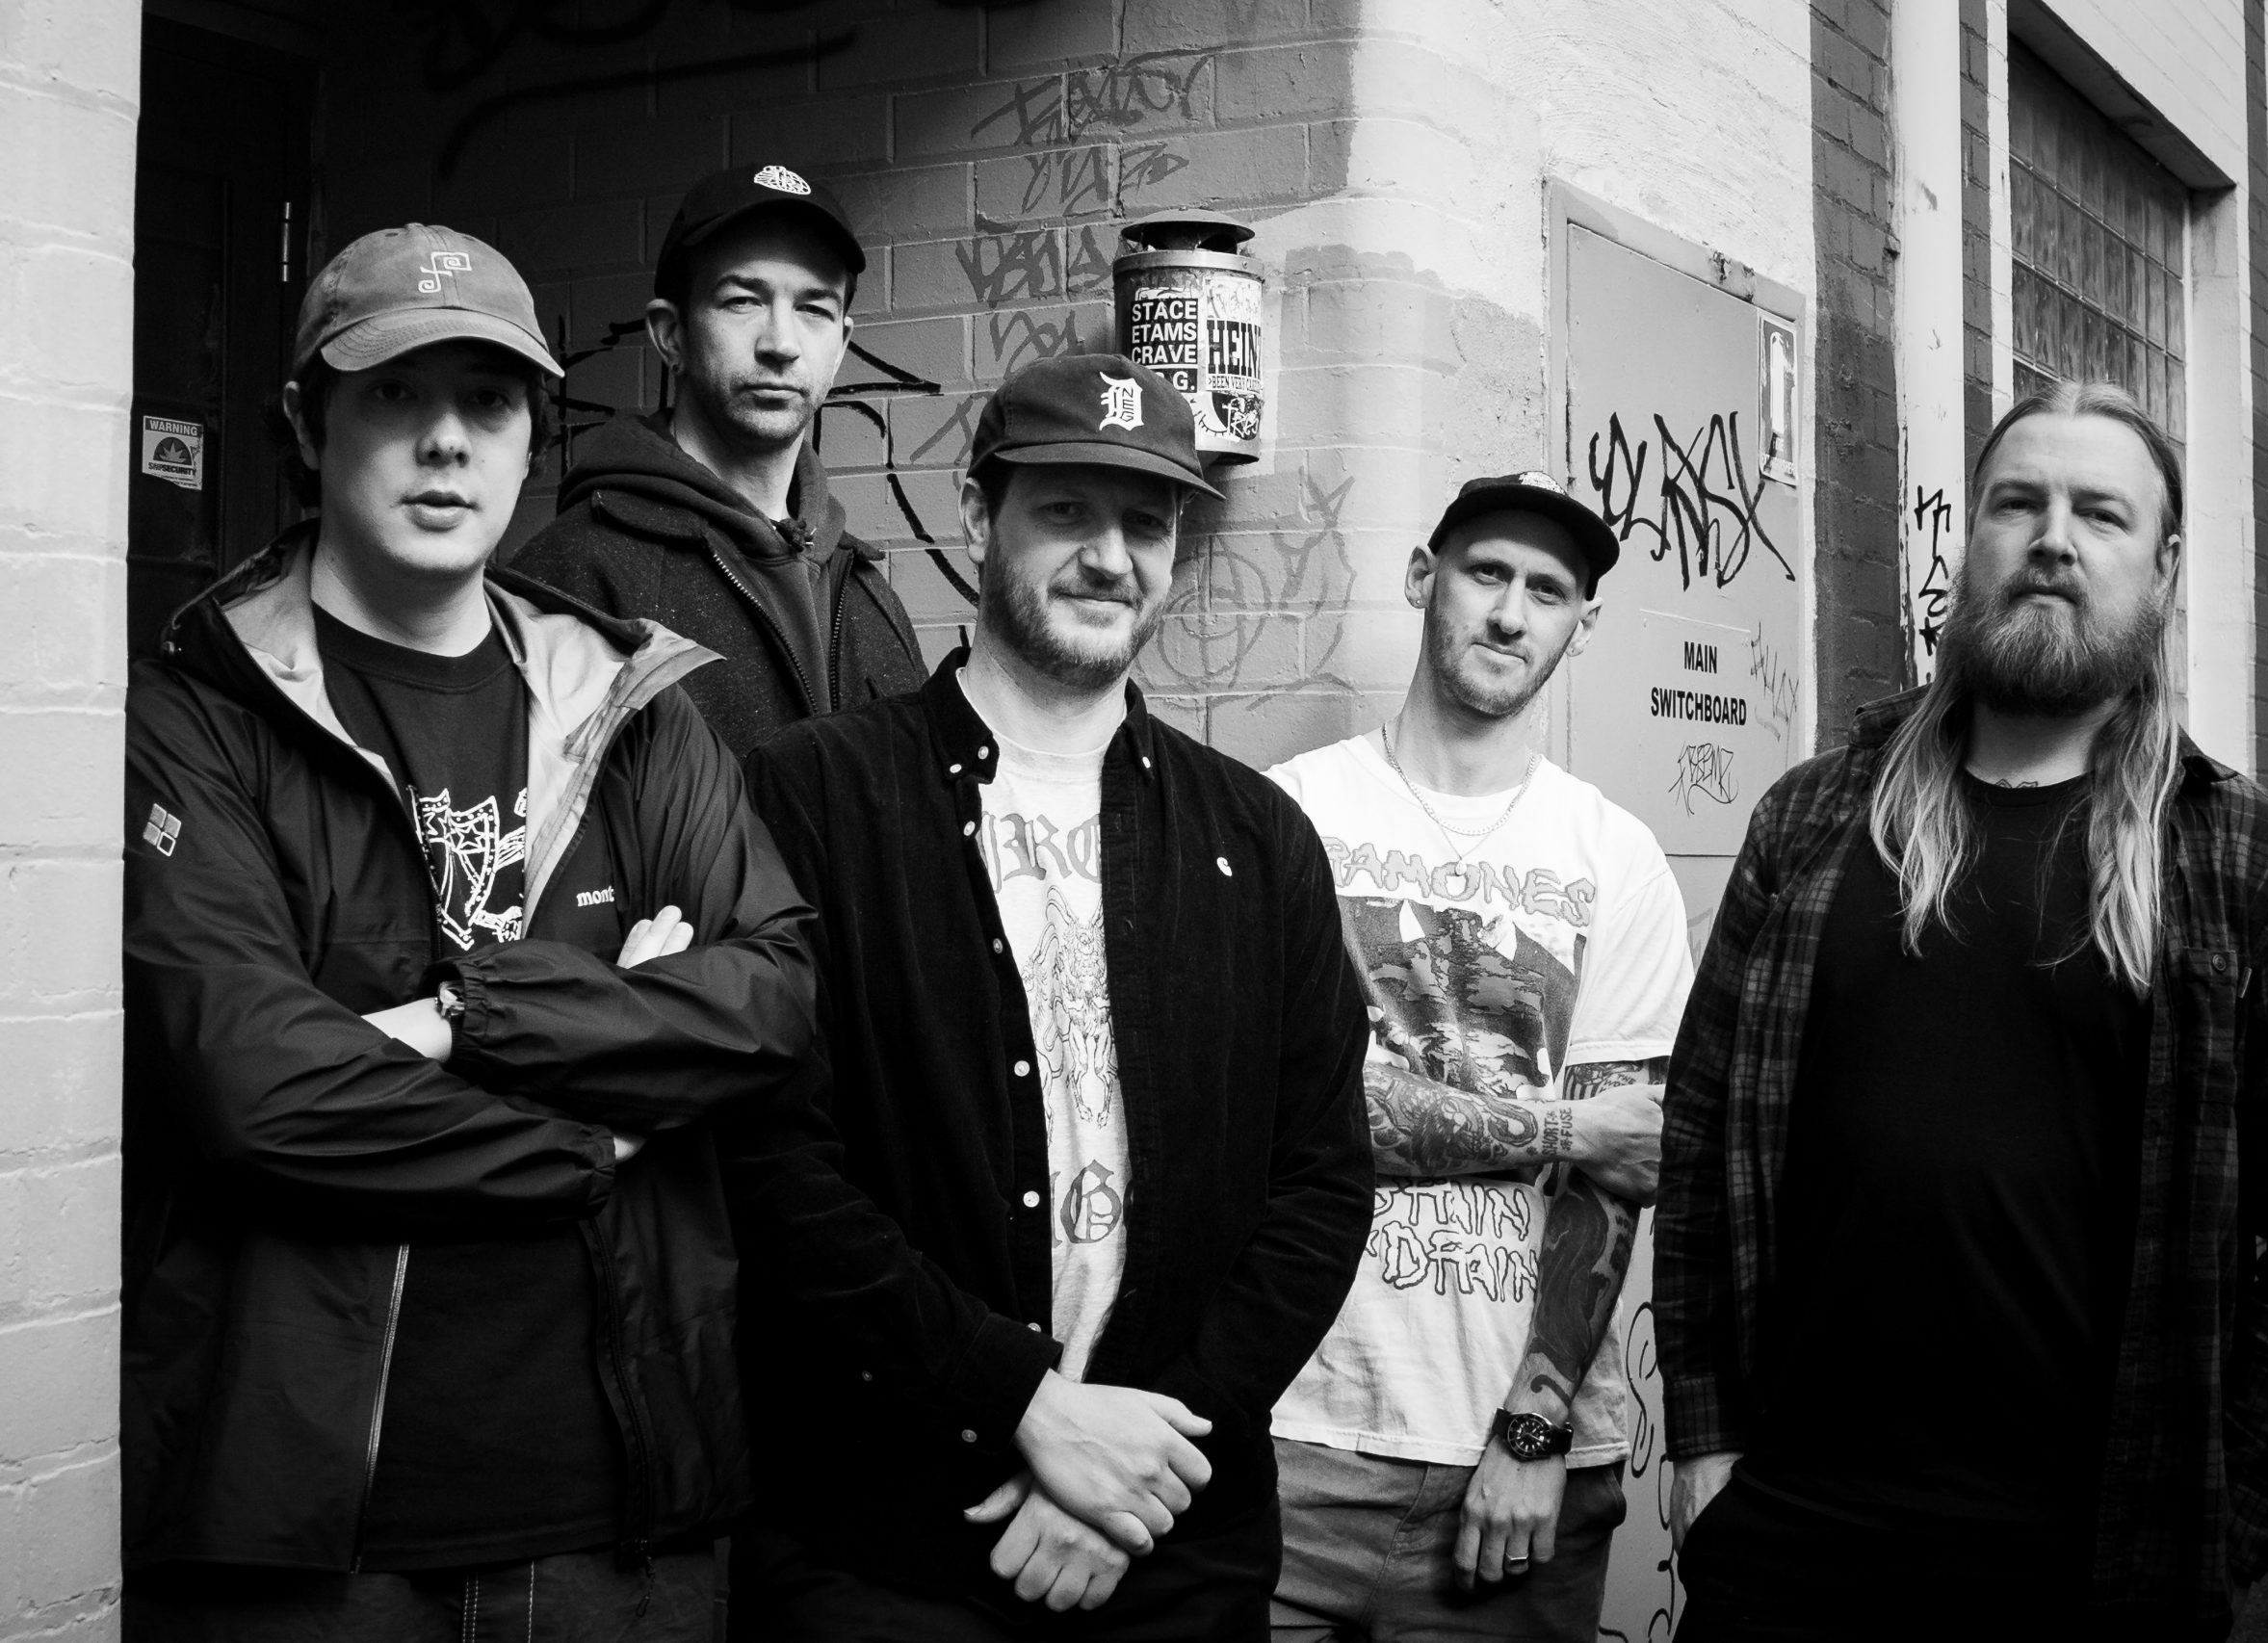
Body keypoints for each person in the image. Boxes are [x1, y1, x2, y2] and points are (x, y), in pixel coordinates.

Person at [120, 223, 816, 1641]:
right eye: (395, 392)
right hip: (311, 1537)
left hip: (623, 1514)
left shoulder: (630, 703)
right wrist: (603, 1133)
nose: (446, 440)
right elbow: (259, 1091)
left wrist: (458, 1020)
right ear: (306, 423)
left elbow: (771, 995)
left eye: (487, 402)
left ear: (528, 439)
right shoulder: (197, 715)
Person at [1655, 380, 2268, 1641]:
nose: (2053, 537)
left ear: (2163, 568)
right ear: (1973, 541)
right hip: (1788, 1531)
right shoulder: (1814, 820)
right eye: (2019, 503)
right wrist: (1705, 1436)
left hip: (2090, 1561)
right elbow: (1702, 1137)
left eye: (2100, 513)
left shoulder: (2245, 864)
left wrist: (2223, 1528)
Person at [717, 352, 1376, 1639]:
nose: (1110, 557)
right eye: (1066, 510)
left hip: (1175, 1544)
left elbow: (1320, 1185)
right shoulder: (809, 795)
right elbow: (769, 1159)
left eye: (1146, 522)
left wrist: (1141, 1468)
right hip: (885, 1545)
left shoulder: (1259, 839)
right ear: (978, 512)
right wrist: (1021, 1400)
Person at [1264, 473, 1696, 1641]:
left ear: (1580, 626)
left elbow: (1622, 1170)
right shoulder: (1285, 814)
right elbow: (1289, 1110)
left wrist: (1533, 1426)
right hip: (1291, 1439)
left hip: (1523, 1466)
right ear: (1424, 577)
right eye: (1486, 572)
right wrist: (1559, 1125)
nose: (1509, 613)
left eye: (1546, 591)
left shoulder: (1614, 857)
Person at [511, 162, 924, 756]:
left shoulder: (868, 598)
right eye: (742, 301)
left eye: (814, 309)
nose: (781, 343)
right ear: (671, 334)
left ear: (841, 346)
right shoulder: (572, 580)